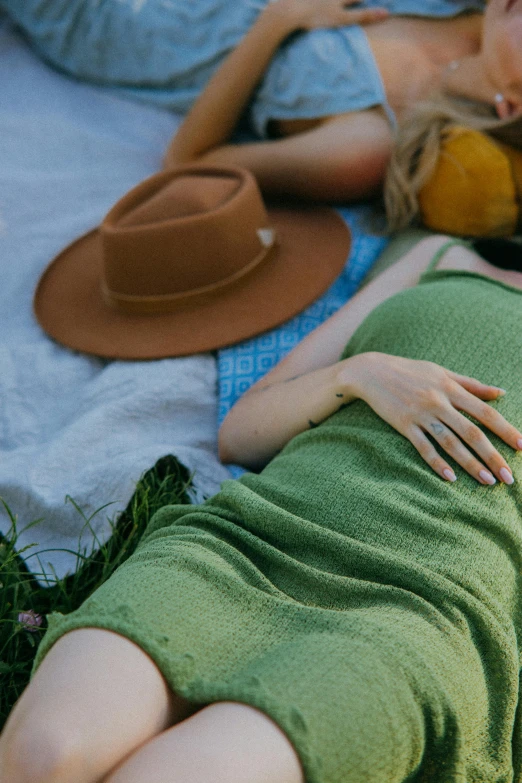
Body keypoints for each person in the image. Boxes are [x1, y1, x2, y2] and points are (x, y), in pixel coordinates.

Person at [1, 232, 522, 782]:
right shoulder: (441, 255)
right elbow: (242, 433)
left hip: (418, 607)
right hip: (249, 541)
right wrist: (360, 373)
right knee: (44, 754)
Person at [3, 0, 522, 203]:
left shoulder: (367, 143)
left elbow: (189, 162)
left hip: (133, 22)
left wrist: (278, 21)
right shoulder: (465, 9)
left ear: (513, 106)